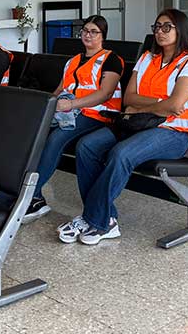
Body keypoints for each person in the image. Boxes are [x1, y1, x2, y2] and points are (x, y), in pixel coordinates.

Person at [57, 9, 188, 246]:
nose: (160, 32)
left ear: (181, 30)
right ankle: (106, 218)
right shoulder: (147, 58)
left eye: (167, 27)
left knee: (120, 153)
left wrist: (148, 105)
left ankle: (94, 219)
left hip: (172, 132)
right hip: (136, 124)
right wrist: (159, 103)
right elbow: (129, 98)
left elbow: (176, 105)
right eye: (157, 27)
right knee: (87, 146)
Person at [17, 15, 123, 223]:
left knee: (56, 139)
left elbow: (105, 93)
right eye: (84, 31)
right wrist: (44, 107)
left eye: (94, 32)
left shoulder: (111, 59)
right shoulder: (73, 60)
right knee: (33, 132)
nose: (88, 35)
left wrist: (72, 105)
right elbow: (59, 91)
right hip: (69, 113)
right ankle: (31, 195)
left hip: (97, 115)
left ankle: (28, 196)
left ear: (103, 36)